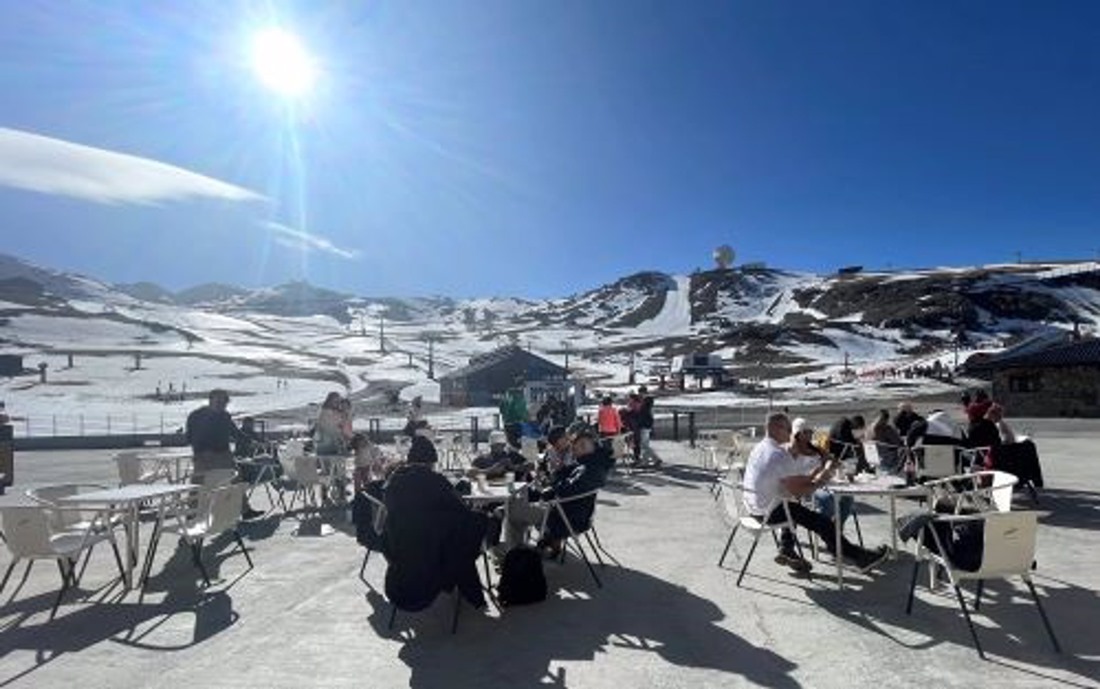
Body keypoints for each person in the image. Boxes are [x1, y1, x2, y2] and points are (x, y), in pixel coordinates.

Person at [743, 412, 887, 574]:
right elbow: (800, 492)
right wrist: (822, 479)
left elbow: (795, 481)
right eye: (788, 429)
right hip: (768, 511)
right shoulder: (777, 454)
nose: (790, 433)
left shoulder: (761, 447)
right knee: (822, 523)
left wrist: (819, 472)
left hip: (754, 506)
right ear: (776, 428)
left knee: (799, 509)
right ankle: (858, 556)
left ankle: (789, 549)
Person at [383, 435, 487, 611]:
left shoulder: (394, 480)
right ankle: (469, 588)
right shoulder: (434, 480)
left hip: (400, 548)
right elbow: (461, 509)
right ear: (430, 462)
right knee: (476, 523)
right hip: (433, 551)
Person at [503, 430, 614, 557]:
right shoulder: (591, 464)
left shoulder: (590, 469)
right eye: (576, 446)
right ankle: (518, 552)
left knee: (512, 512)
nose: (578, 449)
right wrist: (555, 477)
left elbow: (566, 489)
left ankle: (515, 555)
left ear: (595, 445)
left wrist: (545, 491)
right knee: (517, 510)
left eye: (583, 445)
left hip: (564, 518)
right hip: (573, 514)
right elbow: (563, 480)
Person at [185, 389, 263, 520]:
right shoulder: (196, 415)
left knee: (236, 482)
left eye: (225, 402)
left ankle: (245, 510)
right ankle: (192, 515)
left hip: (224, 456)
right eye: (219, 401)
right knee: (199, 487)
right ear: (211, 400)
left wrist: (251, 441)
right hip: (203, 458)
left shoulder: (225, 416)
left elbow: (236, 433)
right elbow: (189, 437)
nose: (222, 404)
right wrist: (200, 452)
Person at [788, 418, 854, 527]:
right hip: (807, 486)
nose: (810, 435)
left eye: (811, 432)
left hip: (825, 482)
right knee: (827, 500)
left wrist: (831, 463)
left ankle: (836, 531)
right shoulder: (792, 451)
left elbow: (834, 461)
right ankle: (824, 528)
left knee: (847, 498)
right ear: (798, 434)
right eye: (807, 432)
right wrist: (819, 473)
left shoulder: (816, 448)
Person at [468, 430, 532, 480]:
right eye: (496, 445)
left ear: (504, 445)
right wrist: (490, 470)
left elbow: (531, 465)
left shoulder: (512, 455)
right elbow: (469, 473)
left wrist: (513, 467)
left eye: (501, 444)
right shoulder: (483, 459)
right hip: (491, 487)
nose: (499, 447)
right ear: (491, 446)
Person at [868, 409, 903, 473]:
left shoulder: (869, 428)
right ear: (887, 419)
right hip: (887, 459)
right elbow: (898, 443)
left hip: (873, 459)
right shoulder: (886, 429)